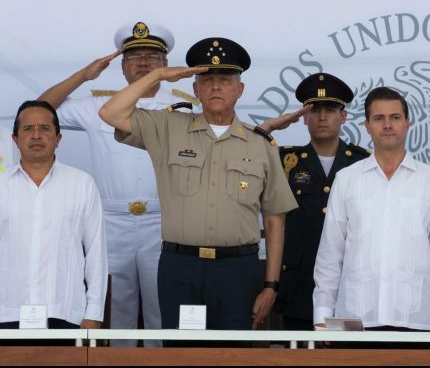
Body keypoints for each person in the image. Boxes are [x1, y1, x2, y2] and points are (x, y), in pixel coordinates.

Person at [98, 37, 297, 343]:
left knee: (234, 357)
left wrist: (271, 284)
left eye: (225, 80)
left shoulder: (261, 145)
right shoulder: (168, 128)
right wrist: (158, 76)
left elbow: (274, 221)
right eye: (208, 79)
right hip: (181, 269)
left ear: (239, 89)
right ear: (195, 88)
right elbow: (110, 113)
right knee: (182, 356)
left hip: (238, 271)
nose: (216, 86)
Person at [37, 21, 192, 347]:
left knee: (160, 313)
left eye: (152, 57)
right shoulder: (98, 106)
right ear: (122, 67)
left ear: (164, 65)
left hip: (162, 221)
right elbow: (40, 111)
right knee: (113, 313)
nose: (144, 63)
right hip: (111, 223)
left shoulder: (186, 106)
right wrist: (83, 75)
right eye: (134, 58)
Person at [313, 87, 430, 350]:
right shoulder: (347, 179)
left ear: (407, 123)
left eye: (395, 117)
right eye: (379, 118)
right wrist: (321, 315)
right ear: (367, 125)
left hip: (414, 319)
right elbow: (330, 253)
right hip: (354, 321)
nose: (388, 125)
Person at [0, 101, 107, 343]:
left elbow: (96, 255)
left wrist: (94, 314)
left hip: (67, 314)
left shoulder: (82, 184)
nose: (36, 135)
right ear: (15, 139)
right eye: (27, 129)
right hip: (6, 313)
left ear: (58, 138)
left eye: (44, 128)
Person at [275, 73, 370, 332]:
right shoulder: (285, 161)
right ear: (304, 116)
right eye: (314, 110)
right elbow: (245, 152)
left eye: (330, 109)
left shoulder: (363, 163)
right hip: (299, 286)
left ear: (343, 116)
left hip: (349, 286)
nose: (322, 117)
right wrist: (271, 127)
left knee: (348, 361)